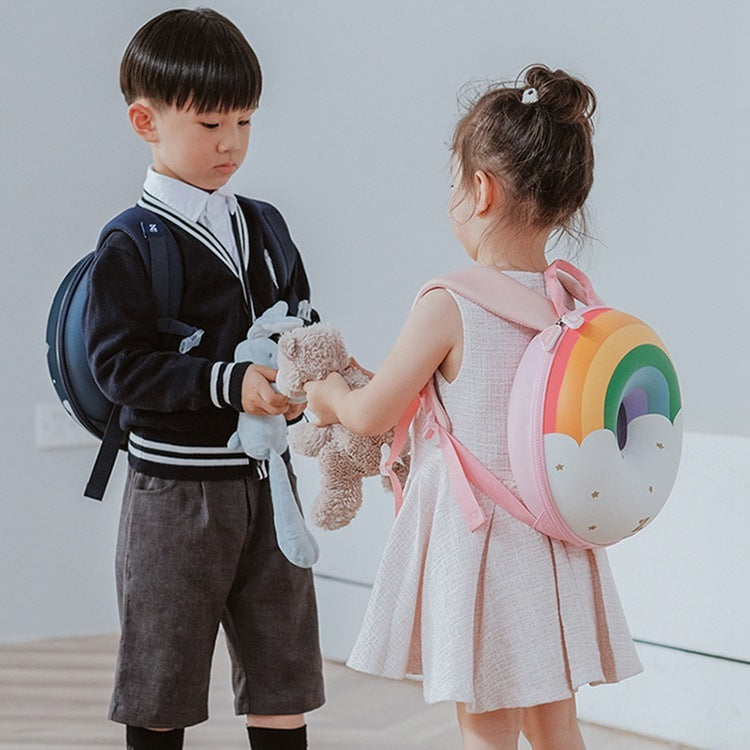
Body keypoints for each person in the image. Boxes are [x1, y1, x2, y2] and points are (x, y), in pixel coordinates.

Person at [303, 65, 643, 750]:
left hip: (484, 545)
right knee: (556, 722)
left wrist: (329, 395)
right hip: (555, 541)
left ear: (480, 190)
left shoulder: (450, 303)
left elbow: (371, 415)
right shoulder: (574, 306)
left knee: (484, 728)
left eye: (454, 181)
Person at [83, 9, 324, 750]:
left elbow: (305, 328)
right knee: (163, 685)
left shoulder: (266, 224)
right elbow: (118, 366)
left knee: (284, 680)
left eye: (245, 122)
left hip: (269, 488)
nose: (232, 144)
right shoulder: (131, 241)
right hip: (175, 495)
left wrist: (319, 376)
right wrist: (231, 383)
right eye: (211, 123)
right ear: (145, 121)